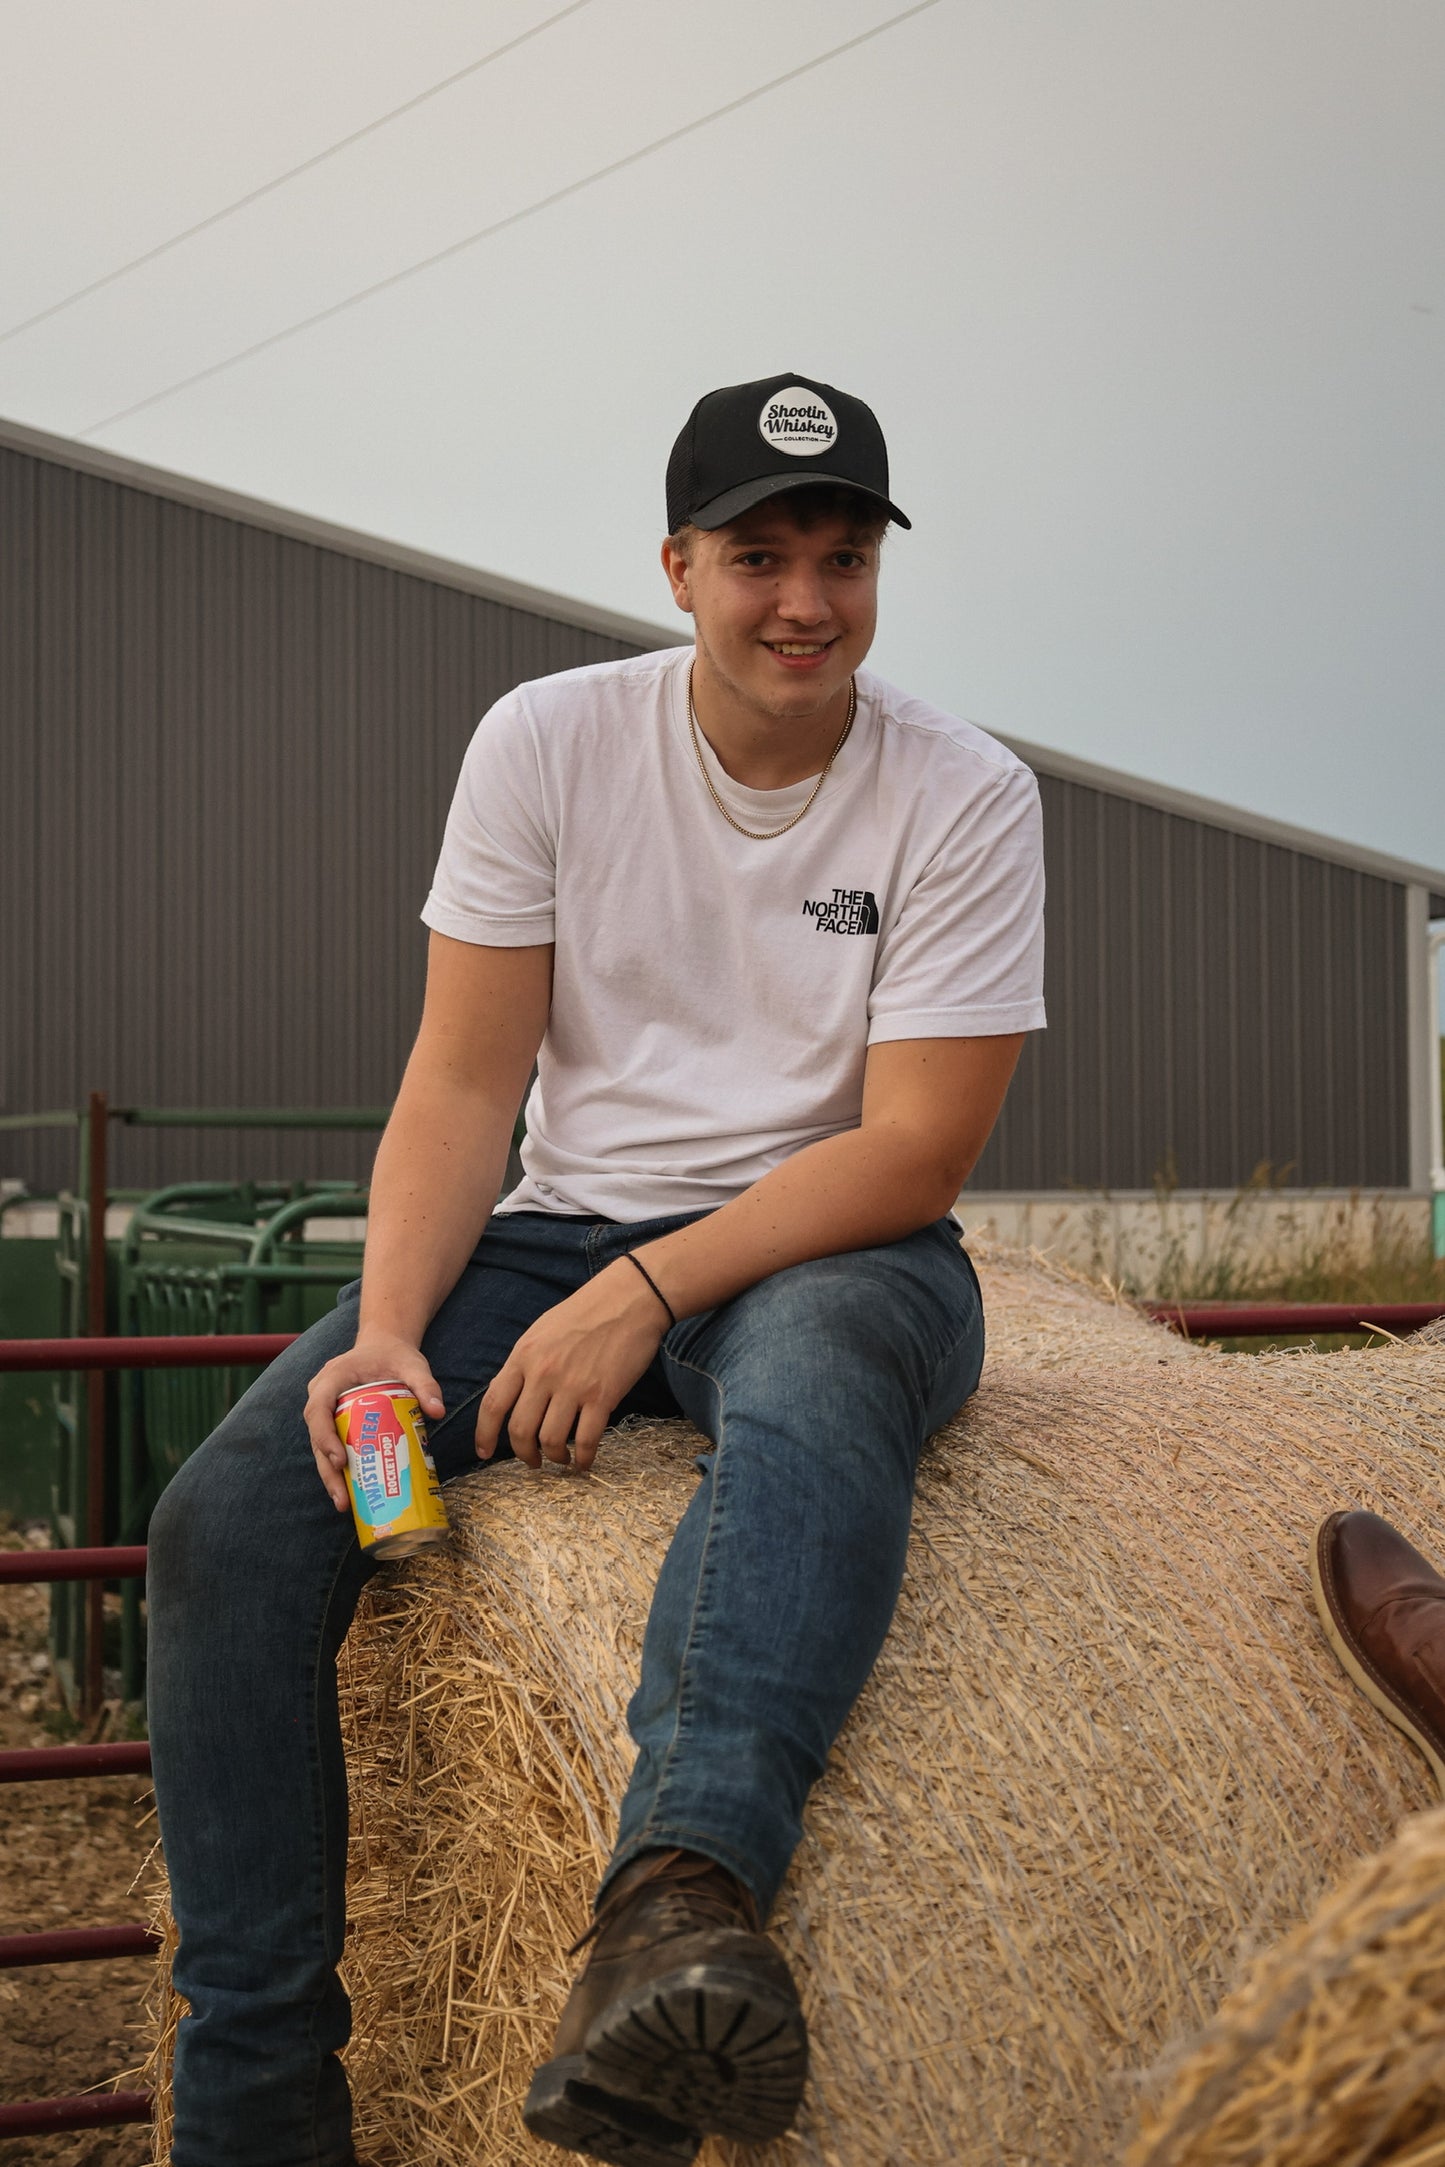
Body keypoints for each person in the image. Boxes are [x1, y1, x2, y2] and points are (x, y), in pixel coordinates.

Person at [146, 371, 1047, 2167]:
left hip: (835, 1245)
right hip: (545, 1241)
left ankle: (673, 1908)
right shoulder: (545, 741)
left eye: (842, 556)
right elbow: (466, 1076)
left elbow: (911, 1150)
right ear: (677, 566)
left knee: (802, 1399)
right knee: (228, 1523)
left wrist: (646, 1296)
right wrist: (393, 1330)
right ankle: (256, 2099)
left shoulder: (964, 792)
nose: (804, 597)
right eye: (758, 554)